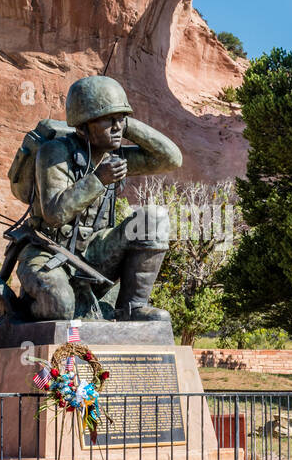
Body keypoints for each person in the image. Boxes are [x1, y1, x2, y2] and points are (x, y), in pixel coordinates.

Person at [15, 75, 182, 321]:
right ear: (83, 126)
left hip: (94, 251)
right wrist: (98, 179)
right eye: (108, 121)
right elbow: (54, 213)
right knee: (61, 308)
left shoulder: (114, 156)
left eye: (121, 120)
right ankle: (24, 313)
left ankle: (131, 309)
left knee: (153, 219)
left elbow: (171, 159)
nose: (117, 128)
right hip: (47, 250)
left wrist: (126, 123)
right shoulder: (55, 153)